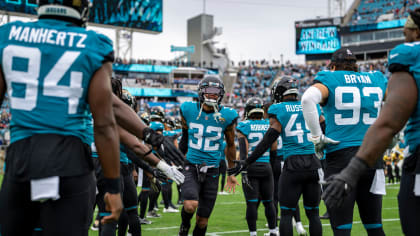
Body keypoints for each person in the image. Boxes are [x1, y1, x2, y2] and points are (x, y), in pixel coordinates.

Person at [0, 1, 123, 235]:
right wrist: (114, 189)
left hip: (21, 159)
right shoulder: (94, 43)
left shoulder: (8, 34)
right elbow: (105, 124)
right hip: (71, 161)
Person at [322, 9, 420, 235]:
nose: (403, 33)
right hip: (376, 165)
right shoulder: (374, 79)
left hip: (354, 156)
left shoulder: (408, 54)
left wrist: (350, 172)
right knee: (375, 225)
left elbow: (389, 122)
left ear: (415, 31)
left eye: (406, 29)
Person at [301, 47, 387, 236]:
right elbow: (399, 101)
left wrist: (317, 137)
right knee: (375, 227)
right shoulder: (376, 78)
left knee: (341, 229)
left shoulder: (330, 78)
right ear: (355, 65)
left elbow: (307, 100)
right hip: (372, 158)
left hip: (341, 158)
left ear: (332, 66)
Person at [229, 76, 323, 236]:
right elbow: (324, 129)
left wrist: (247, 161)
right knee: (313, 214)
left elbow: (268, 140)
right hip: (313, 164)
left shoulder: (277, 109)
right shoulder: (311, 106)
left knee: (286, 213)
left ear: (279, 92)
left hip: (293, 164)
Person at [178, 75, 239, 236]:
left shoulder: (227, 115)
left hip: (213, 169)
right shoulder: (188, 110)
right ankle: (184, 225)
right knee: (190, 205)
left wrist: (231, 172)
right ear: (201, 92)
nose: (213, 95)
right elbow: (184, 137)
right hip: (191, 165)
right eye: (210, 91)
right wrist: (176, 162)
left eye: (216, 92)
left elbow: (231, 145)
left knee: (202, 221)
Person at [236, 97, 277, 236]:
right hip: (266, 166)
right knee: (269, 202)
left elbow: (243, 153)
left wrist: (243, 168)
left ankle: (253, 234)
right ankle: (273, 231)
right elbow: (274, 148)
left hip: (251, 167)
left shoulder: (243, 126)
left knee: (252, 203)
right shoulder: (268, 125)